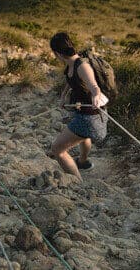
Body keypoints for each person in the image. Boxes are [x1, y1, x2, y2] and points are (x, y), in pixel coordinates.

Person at [48, 32, 107, 179]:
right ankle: (83, 162)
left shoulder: (82, 66)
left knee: (57, 149)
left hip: (91, 119)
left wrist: (95, 96)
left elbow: (94, 86)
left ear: (57, 53)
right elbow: (72, 82)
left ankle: (78, 184)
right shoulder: (71, 64)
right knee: (83, 136)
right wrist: (63, 97)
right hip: (85, 115)